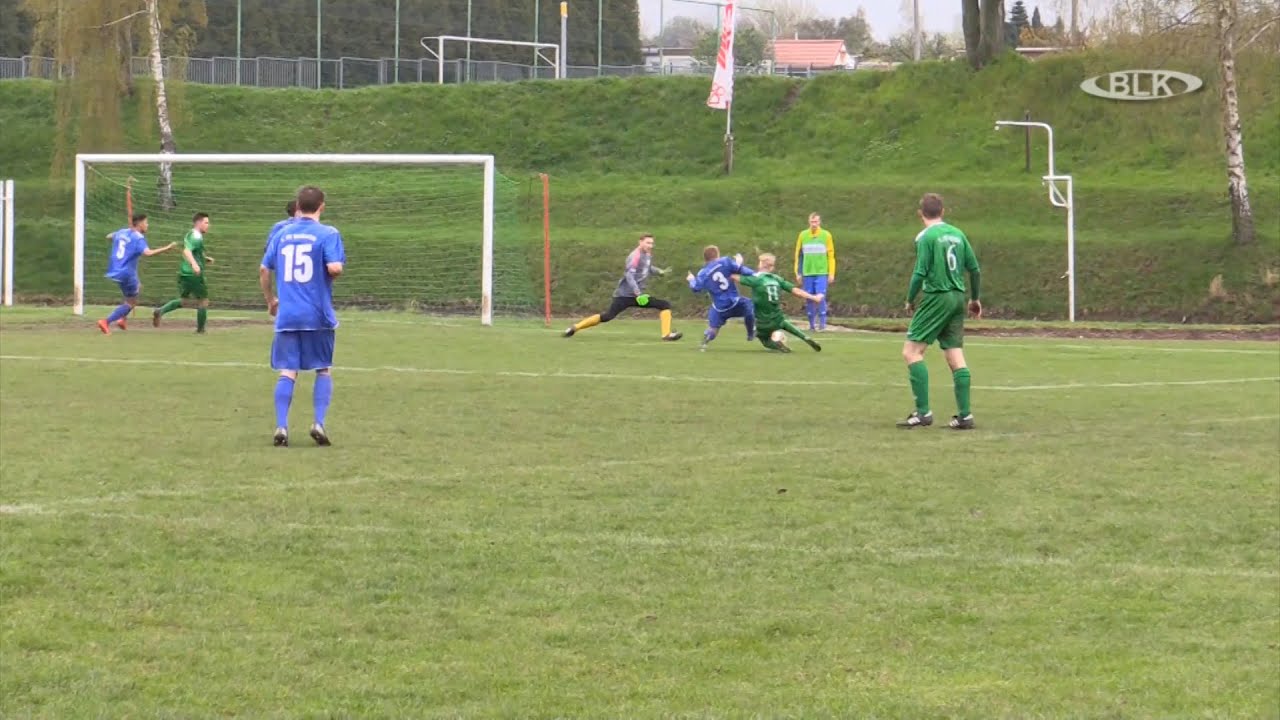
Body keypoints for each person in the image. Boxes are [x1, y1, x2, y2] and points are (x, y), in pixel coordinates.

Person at [259, 186, 346, 447]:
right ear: (322, 206)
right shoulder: (328, 233)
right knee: (323, 368)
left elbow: (264, 269)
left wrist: (271, 300)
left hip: (287, 314)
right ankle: (318, 422)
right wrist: (333, 268)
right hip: (317, 314)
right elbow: (334, 267)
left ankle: (281, 427)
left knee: (288, 370)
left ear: (298, 205)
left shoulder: (281, 234)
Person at [897, 193, 982, 430]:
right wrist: (974, 299)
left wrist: (909, 299)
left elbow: (920, 272)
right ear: (943, 211)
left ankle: (923, 413)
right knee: (955, 356)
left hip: (937, 296)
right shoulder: (958, 234)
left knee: (912, 352)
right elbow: (974, 270)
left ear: (920, 213)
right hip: (957, 297)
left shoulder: (926, 237)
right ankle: (965, 416)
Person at [564, 234, 682, 341]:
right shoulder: (634, 256)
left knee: (664, 305)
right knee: (607, 316)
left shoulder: (647, 255)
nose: (650, 245)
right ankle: (575, 327)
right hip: (625, 295)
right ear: (640, 242)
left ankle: (666, 334)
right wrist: (638, 293)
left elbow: (648, 267)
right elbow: (629, 275)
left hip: (637, 296)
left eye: (652, 243)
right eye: (647, 243)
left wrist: (660, 272)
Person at [97, 213, 175, 334]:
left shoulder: (122, 232)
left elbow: (109, 236)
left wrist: (121, 237)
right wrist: (167, 248)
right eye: (146, 222)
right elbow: (148, 253)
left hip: (116, 270)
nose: (147, 225)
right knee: (131, 302)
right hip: (127, 273)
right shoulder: (138, 238)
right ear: (139, 224)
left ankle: (122, 319)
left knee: (135, 289)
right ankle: (106, 321)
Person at [736, 253, 823, 353]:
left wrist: (737, 265)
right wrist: (814, 297)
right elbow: (796, 291)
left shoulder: (756, 279)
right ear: (772, 267)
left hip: (762, 322)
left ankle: (778, 345)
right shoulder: (777, 279)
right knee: (784, 323)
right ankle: (805, 337)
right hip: (777, 318)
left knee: (763, 338)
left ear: (760, 264)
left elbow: (734, 277)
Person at [152, 212, 215, 333]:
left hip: (184, 273)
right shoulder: (196, 236)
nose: (209, 225)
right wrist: (195, 265)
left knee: (184, 301)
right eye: (206, 222)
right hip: (194, 274)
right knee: (203, 301)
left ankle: (160, 311)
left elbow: (191, 251)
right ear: (198, 223)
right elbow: (187, 251)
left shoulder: (190, 234)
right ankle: (201, 330)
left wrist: (203, 259)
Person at [687, 245, 756, 351]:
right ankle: (751, 333)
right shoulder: (725, 261)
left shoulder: (703, 273)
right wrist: (754, 273)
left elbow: (696, 288)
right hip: (734, 301)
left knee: (713, 329)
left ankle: (707, 337)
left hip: (719, 308)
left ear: (705, 258)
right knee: (750, 307)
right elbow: (741, 270)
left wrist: (691, 279)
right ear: (717, 254)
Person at [793, 212, 836, 332]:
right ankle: (812, 325)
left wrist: (831, 272)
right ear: (809, 222)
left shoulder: (826, 235)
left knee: (820, 296)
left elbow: (831, 255)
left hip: (822, 271)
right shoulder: (803, 235)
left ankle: (822, 324)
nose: (814, 224)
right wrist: (798, 272)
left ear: (820, 222)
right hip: (808, 272)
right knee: (809, 297)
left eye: (816, 222)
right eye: (812, 222)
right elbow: (798, 255)